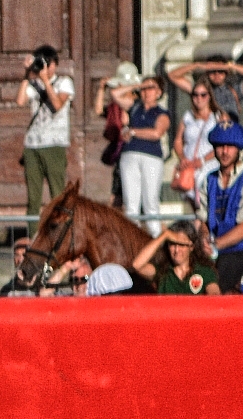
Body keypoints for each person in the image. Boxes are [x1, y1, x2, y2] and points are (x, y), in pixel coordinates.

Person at [194, 121, 243, 293]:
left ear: (238, 149)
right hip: (218, 246)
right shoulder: (208, 180)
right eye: (220, 146)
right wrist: (204, 239)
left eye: (230, 146)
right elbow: (203, 219)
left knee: (218, 276)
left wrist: (215, 246)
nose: (225, 151)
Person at [14, 44, 74, 218]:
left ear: (55, 64)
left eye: (48, 63)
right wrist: (27, 74)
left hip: (54, 144)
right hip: (33, 145)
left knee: (57, 195)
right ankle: (33, 236)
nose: (45, 68)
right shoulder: (35, 84)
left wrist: (46, 82)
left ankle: (58, 237)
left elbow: (57, 105)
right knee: (33, 198)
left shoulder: (64, 82)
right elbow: (20, 101)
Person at [110, 74, 172, 232]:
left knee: (150, 203)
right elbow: (115, 94)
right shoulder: (134, 107)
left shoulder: (161, 113)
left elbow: (156, 133)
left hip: (150, 157)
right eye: (144, 89)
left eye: (150, 88)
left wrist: (133, 132)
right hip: (129, 156)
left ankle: (156, 237)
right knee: (131, 206)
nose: (146, 92)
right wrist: (135, 86)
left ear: (159, 92)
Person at [94, 62, 141, 208]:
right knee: (117, 195)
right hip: (121, 154)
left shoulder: (137, 103)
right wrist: (101, 89)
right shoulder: (116, 106)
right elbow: (98, 110)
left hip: (133, 151)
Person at [131, 221, 221, 296]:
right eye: (172, 244)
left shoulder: (203, 270)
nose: (177, 250)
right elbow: (137, 265)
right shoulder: (162, 272)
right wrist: (164, 236)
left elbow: (215, 295)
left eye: (182, 245)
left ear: (191, 247)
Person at [169, 55, 243, 125]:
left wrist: (230, 66)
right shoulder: (201, 90)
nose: (216, 74)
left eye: (220, 71)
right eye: (212, 71)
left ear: (226, 73)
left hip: (229, 133)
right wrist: (197, 65)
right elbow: (173, 76)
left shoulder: (234, 89)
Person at [174, 83, 220, 200]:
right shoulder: (188, 116)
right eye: (195, 95)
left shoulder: (217, 117)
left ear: (209, 96)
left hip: (209, 163)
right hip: (189, 165)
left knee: (207, 199)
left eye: (203, 95)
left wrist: (203, 160)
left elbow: (222, 143)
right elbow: (178, 140)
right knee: (191, 201)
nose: (199, 98)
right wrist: (182, 158)